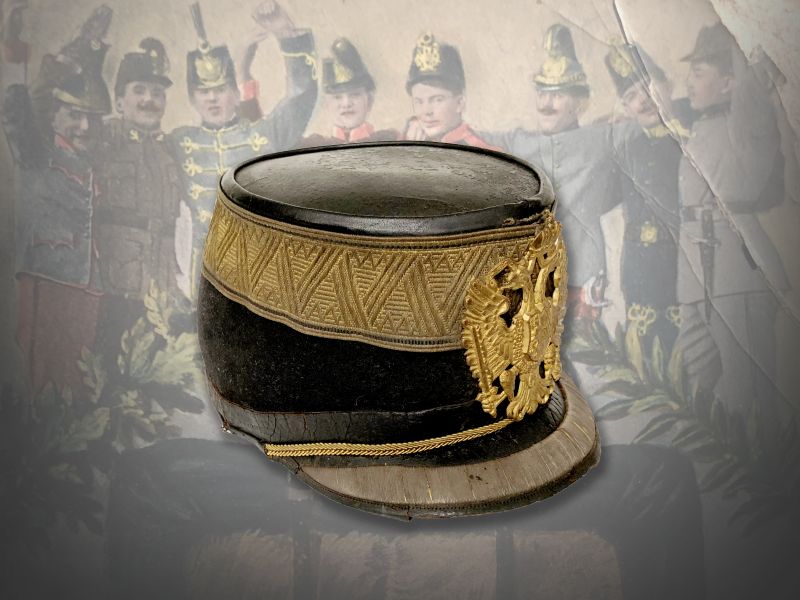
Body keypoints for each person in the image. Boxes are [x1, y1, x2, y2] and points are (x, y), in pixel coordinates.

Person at [169, 0, 318, 298]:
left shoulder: (265, 135)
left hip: (261, 265)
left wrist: (284, 32)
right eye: (204, 92)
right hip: (205, 271)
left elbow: (301, 97)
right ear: (193, 99)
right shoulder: (177, 142)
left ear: (236, 93)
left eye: (220, 90)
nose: (212, 99)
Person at [676, 23, 788, 412]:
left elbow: (752, 98)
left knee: (749, 391)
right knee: (700, 384)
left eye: (699, 73)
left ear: (729, 83)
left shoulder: (745, 123)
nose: (688, 82)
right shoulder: (701, 125)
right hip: (695, 273)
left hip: (736, 271)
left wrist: (749, 67)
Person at [481, 24, 620, 327]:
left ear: (581, 103)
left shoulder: (603, 139)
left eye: (557, 95)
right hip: (531, 272)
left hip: (581, 272)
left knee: (581, 347)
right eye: (542, 93)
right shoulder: (518, 142)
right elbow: (472, 141)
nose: (546, 104)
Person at [604, 42, 691, 353]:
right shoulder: (626, 151)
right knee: (647, 352)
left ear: (667, 84)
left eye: (648, 87)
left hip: (685, 262)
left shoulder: (691, 136)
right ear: (625, 109)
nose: (643, 101)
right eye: (631, 96)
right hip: (640, 269)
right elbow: (603, 200)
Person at [94, 38, 181, 304]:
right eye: (139, 90)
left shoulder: (173, 149)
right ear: (119, 102)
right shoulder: (103, 138)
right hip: (115, 275)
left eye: (157, 93)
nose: (148, 100)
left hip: (163, 277)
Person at [402, 32, 499, 149]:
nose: (426, 111)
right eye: (419, 101)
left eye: (437, 100)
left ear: (460, 103)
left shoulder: (482, 152)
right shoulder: (408, 139)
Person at [299, 37, 397, 147]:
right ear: (326, 104)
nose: (346, 104)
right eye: (337, 97)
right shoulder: (312, 146)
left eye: (355, 95)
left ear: (369, 101)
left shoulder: (389, 141)